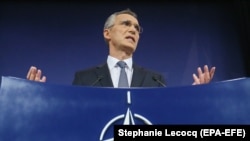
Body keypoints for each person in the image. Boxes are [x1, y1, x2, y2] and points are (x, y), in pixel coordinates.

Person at [26, 9, 216, 87]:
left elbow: (166, 120)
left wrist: (195, 97)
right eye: (126, 24)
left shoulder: (156, 80)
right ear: (107, 33)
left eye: (137, 28)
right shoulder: (84, 79)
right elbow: (69, 119)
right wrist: (38, 97)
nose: (133, 30)